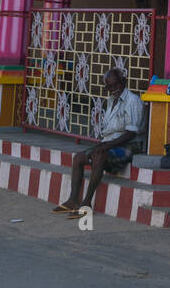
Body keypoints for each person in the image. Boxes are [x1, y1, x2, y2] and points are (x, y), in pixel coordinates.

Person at [52, 69, 145, 217]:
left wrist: (105, 147)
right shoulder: (110, 100)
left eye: (115, 85)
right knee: (79, 158)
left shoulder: (132, 101)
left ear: (124, 82)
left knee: (99, 156)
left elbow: (131, 133)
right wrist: (101, 146)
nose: (113, 90)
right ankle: (73, 200)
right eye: (109, 87)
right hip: (110, 145)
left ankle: (87, 202)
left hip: (128, 147)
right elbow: (109, 133)